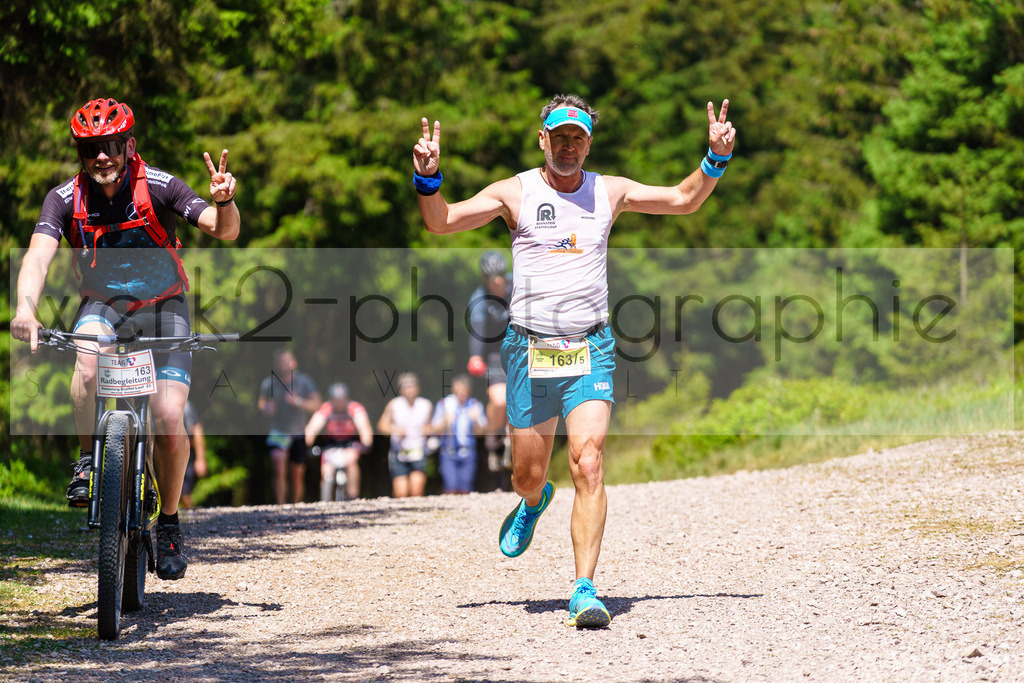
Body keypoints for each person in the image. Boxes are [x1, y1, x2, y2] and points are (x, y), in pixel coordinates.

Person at [412, 94, 736, 628]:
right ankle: (533, 502)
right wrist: (428, 177)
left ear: (589, 143)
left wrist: (715, 158)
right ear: (542, 138)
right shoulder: (514, 192)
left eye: (577, 138)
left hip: (591, 346)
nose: (567, 146)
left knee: (588, 461)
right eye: (558, 136)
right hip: (528, 348)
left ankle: (584, 588)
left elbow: (684, 199)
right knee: (526, 475)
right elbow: (441, 221)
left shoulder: (609, 192)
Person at [11, 97, 239, 581]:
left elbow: (225, 231)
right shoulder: (64, 198)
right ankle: (89, 461)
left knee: (169, 413)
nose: (101, 157)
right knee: (87, 361)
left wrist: (224, 201)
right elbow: (36, 258)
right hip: (104, 306)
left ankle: (170, 523)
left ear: (128, 146)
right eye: (90, 148)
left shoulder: (160, 186)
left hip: (164, 307)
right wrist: (25, 308)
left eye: (111, 146)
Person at [467, 250, 513, 489]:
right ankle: (492, 440)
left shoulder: (517, 285)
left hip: (521, 352)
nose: (497, 282)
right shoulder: (479, 298)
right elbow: (477, 329)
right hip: (494, 356)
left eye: (500, 277)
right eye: (491, 278)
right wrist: (475, 356)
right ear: (485, 279)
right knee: (499, 401)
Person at [258, 348, 321, 504]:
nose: (283, 365)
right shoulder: (269, 383)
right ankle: (280, 506)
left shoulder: (304, 382)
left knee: (296, 473)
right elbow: (261, 402)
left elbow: (317, 404)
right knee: (278, 464)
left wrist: (298, 401)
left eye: (286, 361)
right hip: (278, 430)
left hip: (298, 431)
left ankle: (295, 506)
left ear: (294, 362)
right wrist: (266, 409)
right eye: (280, 362)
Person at [304, 382, 373, 501]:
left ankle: (353, 497)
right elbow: (312, 428)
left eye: (342, 400)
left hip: (350, 444)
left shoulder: (355, 408)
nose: (339, 403)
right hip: (330, 444)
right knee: (326, 469)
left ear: (347, 398)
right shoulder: (326, 409)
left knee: (351, 462)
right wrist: (305, 444)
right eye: (336, 400)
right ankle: (325, 501)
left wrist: (366, 443)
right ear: (331, 399)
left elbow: (365, 428)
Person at [376, 373, 433, 498]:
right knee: (400, 492)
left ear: (418, 388)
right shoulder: (394, 405)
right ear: (401, 390)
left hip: (418, 449)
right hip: (399, 451)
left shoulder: (426, 405)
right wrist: (395, 430)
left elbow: (429, 426)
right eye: (406, 387)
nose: (409, 390)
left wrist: (428, 430)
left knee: (417, 489)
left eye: (412, 386)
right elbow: (381, 426)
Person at [431, 374, 486, 494]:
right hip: (448, 451)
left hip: (468, 451)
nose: (461, 393)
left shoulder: (475, 405)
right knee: (450, 486)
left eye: (464, 390)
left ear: (469, 390)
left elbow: (481, 434)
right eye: (458, 390)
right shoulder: (444, 404)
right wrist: (445, 422)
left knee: (466, 487)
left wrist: (476, 421)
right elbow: (434, 429)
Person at [178, 400, 207, 510]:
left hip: (186, 454)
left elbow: (197, 430)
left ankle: (190, 516)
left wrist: (200, 459)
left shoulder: (187, 405)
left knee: (185, 495)